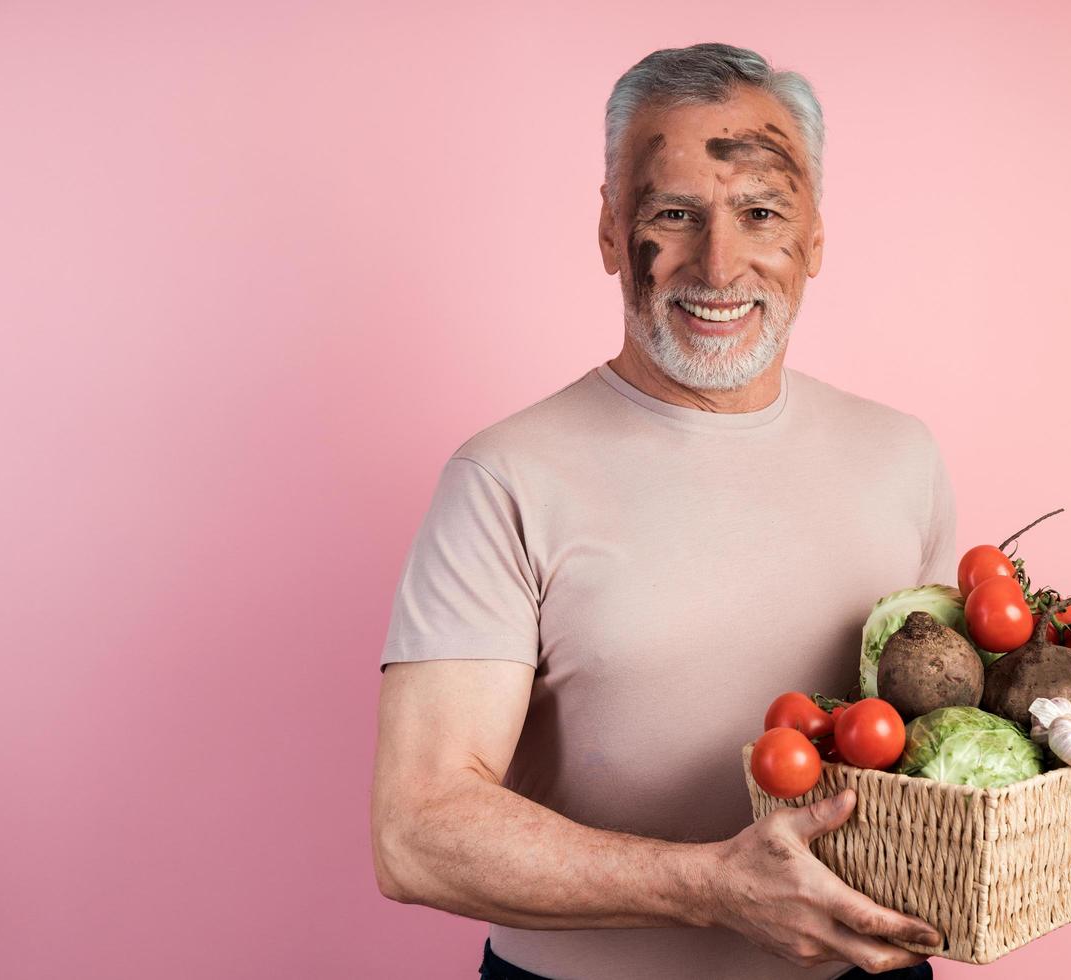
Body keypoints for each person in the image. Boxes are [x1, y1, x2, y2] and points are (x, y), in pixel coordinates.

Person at [370, 42, 956, 979]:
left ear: (813, 237)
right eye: (674, 215)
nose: (717, 265)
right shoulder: (505, 478)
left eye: (759, 212)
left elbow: (933, 759)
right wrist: (711, 886)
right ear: (611, 232)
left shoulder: (904, 458)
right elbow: (417, 832)